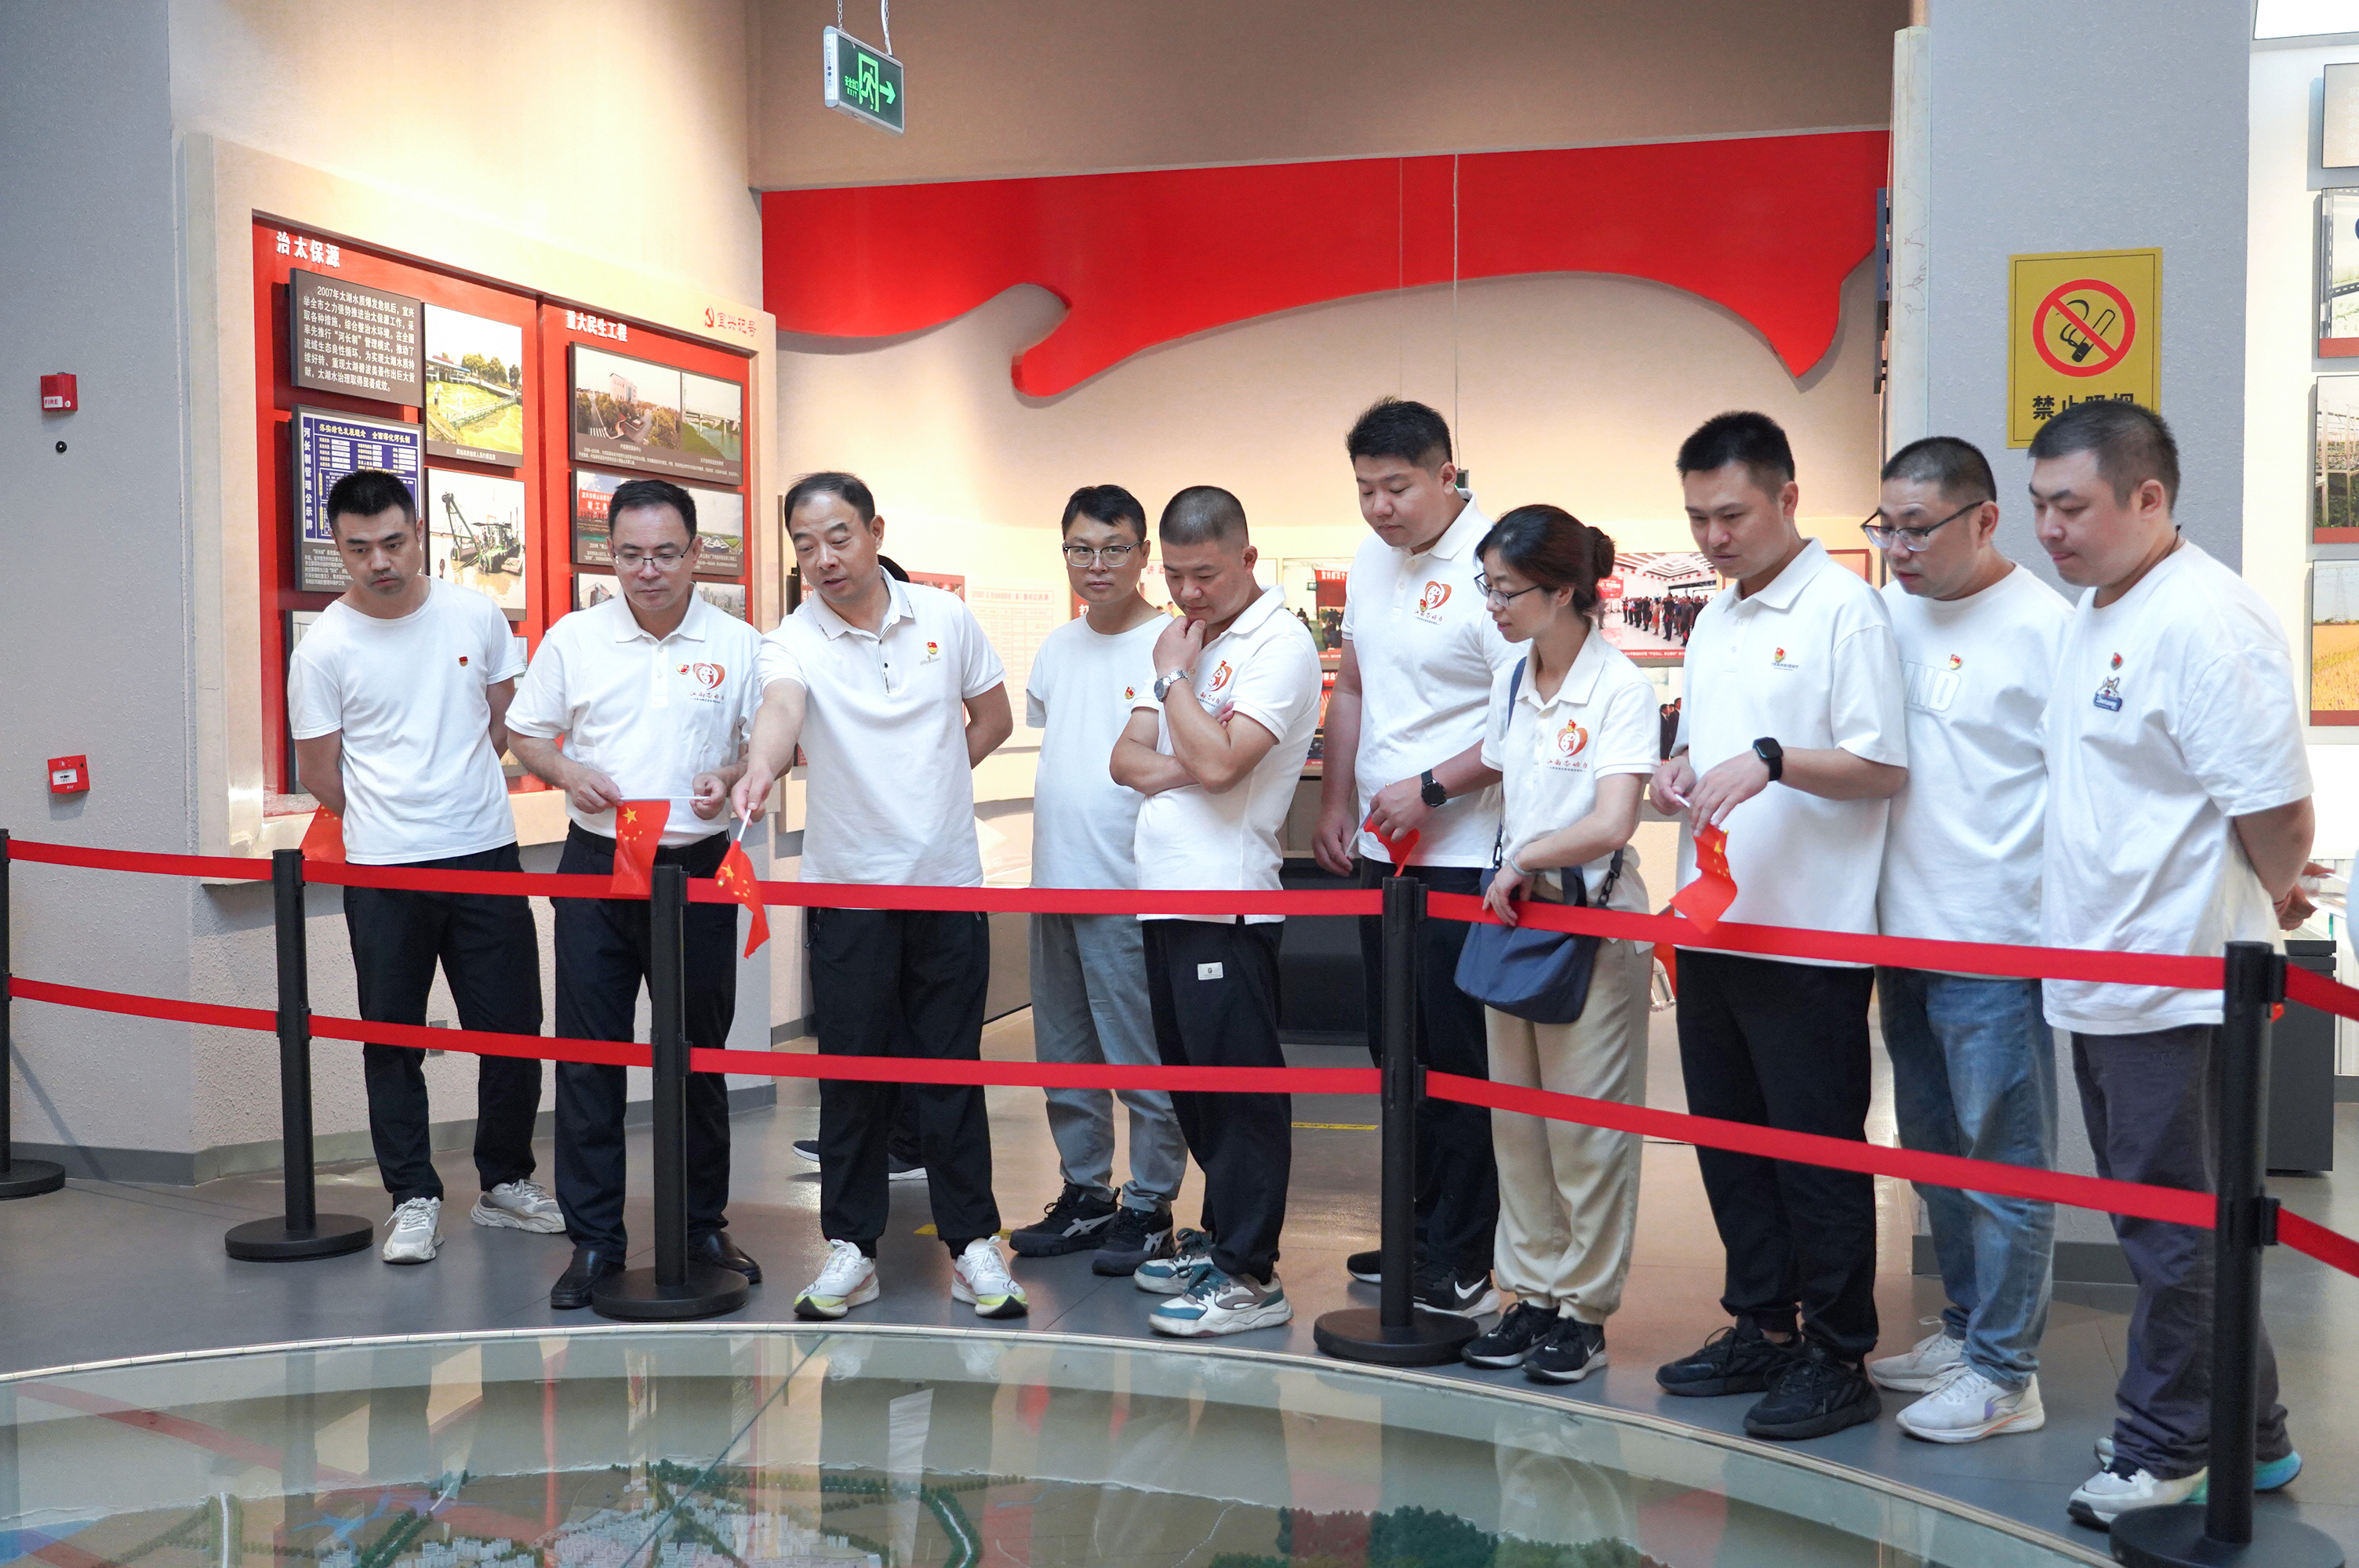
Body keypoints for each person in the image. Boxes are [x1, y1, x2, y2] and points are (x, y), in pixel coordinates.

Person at [2029, 401, 2314, 1528]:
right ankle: (2255, 1432)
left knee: (2169, 1229)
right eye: (2040, 504)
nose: (2049, 528)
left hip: (2175, 978)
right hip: (2105, 968)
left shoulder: (2205, 616)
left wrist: (2264, 891)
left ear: (2148, 498)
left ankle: (2169, 1447)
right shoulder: (2096, 608)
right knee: (2180, 1219)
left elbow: (2276, 810)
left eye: (2070, 505)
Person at [1647, 411, 1907, 1441]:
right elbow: (1708, 751)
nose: (1713, 537)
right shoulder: (1714, 617)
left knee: (1815, 1149)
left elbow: (1880, 766)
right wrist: (1678, 770)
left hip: (1809, 936)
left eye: (1731, 515)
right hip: (1714, 926)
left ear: (1787, 499)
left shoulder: (1847, 611)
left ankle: (1839, 1353)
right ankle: (1763, 1323)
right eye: (1697, 518)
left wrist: (1773, 759)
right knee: (1729, 1141)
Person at [730, 472, 1025, 1323]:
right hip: (848, 891)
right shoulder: (790, 639)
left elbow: (993, 717)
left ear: (874, 531)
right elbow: (781, 709)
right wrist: (760, 765)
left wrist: (929, 783)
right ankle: (851, 1249)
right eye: (805, 545)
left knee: (950, 1071)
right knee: (852, 1077)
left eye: (838, 537)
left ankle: (972, 1243)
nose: (823, 558)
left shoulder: (943, 617)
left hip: (945, 885)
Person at [286, 468, 558, 1265]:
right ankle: (412, 1195)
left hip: (485, 853)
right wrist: (392, 816)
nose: (380, 561)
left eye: (394, 542)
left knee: (513, 1029)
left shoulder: (475, 614)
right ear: (338, 549)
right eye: (359, 548)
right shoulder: (325, 647)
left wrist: (452, 793)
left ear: (418, 534)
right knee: (391, 1037)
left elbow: (505, 723)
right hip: (384, 869)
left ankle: (505, 1180)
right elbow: (318, 771)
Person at [506, 477, 765, 1309]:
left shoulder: (739, 642)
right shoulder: (574, 638)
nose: (647, 571)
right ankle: (594, 1241)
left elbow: (768, 746)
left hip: (697, 867)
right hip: (598, 862)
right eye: (629, 555)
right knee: (590, 1056)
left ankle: (701, 1224)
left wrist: (730, 775)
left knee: (698, 1053)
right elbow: (524, 733)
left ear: (696, 553)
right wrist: (567, 771)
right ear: (609, 555)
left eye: (663, 554)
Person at [1859, 437, 2070, 1443]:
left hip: (1993, 942)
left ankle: (2004, 1372)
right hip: (1898, 934)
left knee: (2004, 1160)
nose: (1897, 548)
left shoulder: (2046, 630)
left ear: (1984, 519)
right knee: (1933, 1151)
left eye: (1918, 528)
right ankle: (1963, 1330)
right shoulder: (1885, 615)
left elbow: (2080, 798)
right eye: (1886, 526)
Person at [1313, 397, 1514, 1316]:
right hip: (1382, 850)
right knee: (1395, 1051)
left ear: (1446, 474)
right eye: (1364, 489)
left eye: (1395, 487)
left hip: (1464, 852)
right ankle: (1418, 1228)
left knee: (1458, 1059)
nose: (1378, 507)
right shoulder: (1369, 558)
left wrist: (1430, 788)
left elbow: (1519, 718)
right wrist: (1337, 799)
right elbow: (1353, 686)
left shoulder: (1494, 566)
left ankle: (1465, 1252)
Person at [1452, 506, 1656, 1385]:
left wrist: (1525, 858)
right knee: (1519, 1128)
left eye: (1507, 590)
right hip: (1517, 917)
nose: (1493, 605)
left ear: (1564, 591)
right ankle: (1530, 1294)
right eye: (1487, 587)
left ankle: (1583, 1312)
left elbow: (1612, 821)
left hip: (1591, 924)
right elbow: (1509, 784)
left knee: (1586, 1134)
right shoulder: (1513, 678)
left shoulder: (1619, 687)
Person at [1111, 485, 1321, 1336]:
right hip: (1161, 897)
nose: (1188, 591)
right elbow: (1125, 759)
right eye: (1174, 575)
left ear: (1247, 558)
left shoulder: (1278, 644)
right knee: (1194, 1087)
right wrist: (1192, 755)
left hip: (1226, 902)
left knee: (1239, 1096)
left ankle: (1250, 1275)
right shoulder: (1187, 636)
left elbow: (1226, 765)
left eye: (1205, 574)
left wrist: (1174, 684)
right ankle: (1222, 1239)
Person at [1009, 485, 1190, 1275]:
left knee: (1139, 1059)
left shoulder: (1172, 643)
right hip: (1054, 881)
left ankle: (1149, 1203)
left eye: (1114, 548)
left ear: (1143, 554)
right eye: (1080, 549)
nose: (1096, 564)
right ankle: (1086, 1192)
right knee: (1065, 1056)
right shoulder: (1057, 647)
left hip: (1129, 886)